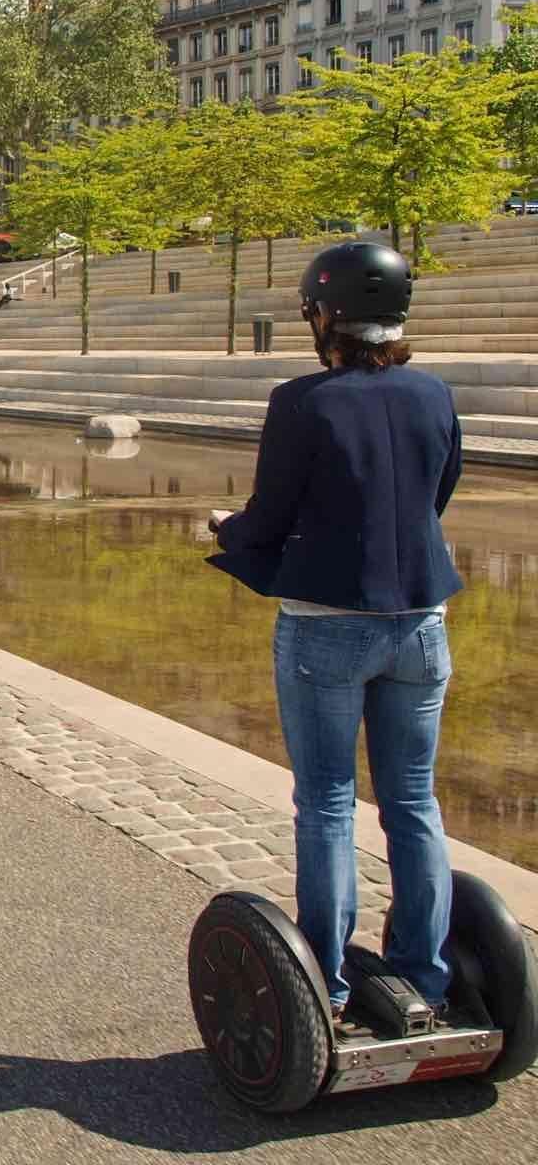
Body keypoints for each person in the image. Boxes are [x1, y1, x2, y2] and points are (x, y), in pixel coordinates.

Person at [208, 240, 463, 1024]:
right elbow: (438, 493)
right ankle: (424, 972)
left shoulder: (303, 402)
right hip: (421, 624)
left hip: (328, 630)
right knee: (413, 800)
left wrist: (228, 529)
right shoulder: (434, 394)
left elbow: (273, 514)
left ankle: (328, 983)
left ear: (327, 316)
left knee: (326, 802)